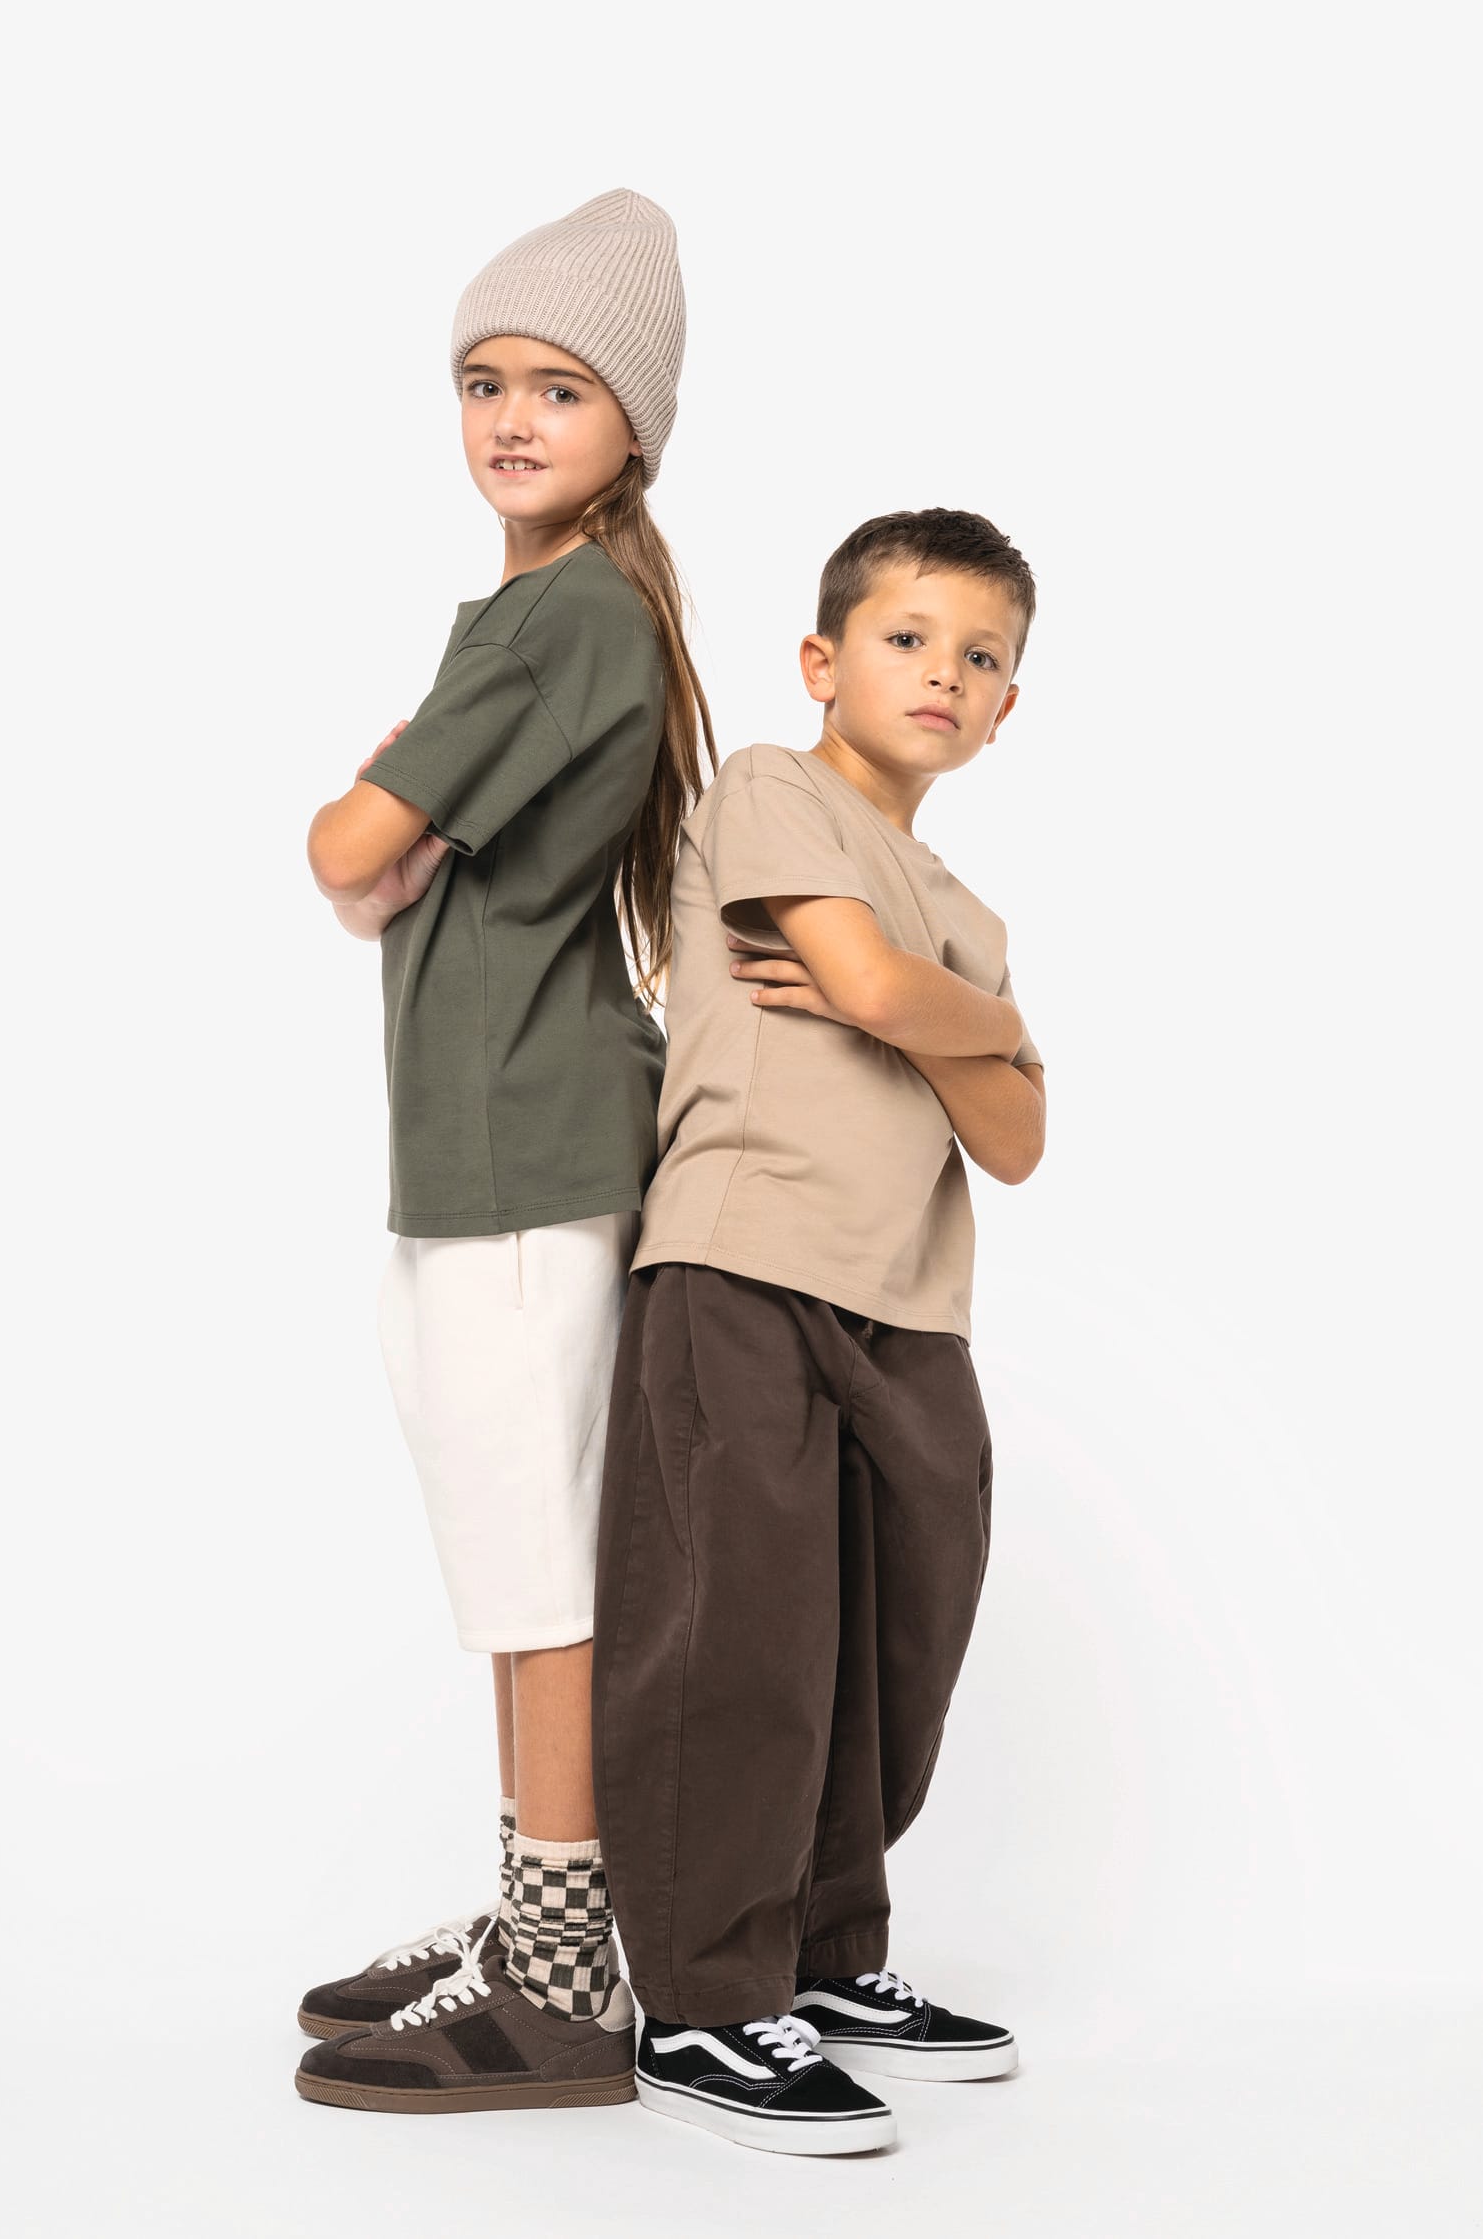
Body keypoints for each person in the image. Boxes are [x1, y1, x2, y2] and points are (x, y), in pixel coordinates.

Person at [295, 191, 713, 2115]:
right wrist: (379, 852)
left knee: (540, 1577)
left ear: (636, 423)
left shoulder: (564, 617)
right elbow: (371, 882)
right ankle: (543, 1915)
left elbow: (341, 853)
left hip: (531, 1157)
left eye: (560, 385)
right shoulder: (564, 613)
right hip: (495, 1148)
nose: (513, 418)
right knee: (510, 1558)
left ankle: (558, 1986)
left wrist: (373, 829)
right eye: (483, 382)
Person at [592, 508, 1046, 2155]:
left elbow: (1015, 1140)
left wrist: (962, 1017)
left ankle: (825, 1954)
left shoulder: (967, 915)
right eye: (907, 638)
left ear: (1006, 708)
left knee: (891, 1642)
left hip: (911, 1303)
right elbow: (864, 990)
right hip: (744, 1262)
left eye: (980, 658)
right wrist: (976, 1032)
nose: (943, 673)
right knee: (744, 1636)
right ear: (821, 660)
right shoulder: (774, 791)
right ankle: (701, 2004)